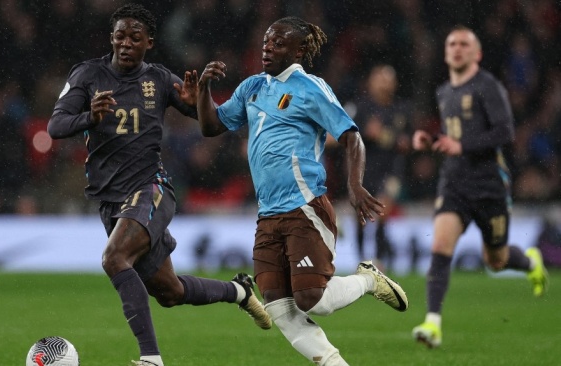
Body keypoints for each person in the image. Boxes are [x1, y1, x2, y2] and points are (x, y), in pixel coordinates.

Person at [47, 4, 271, 366]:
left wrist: (201, 95)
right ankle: (239, 291)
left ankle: (151, 358)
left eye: (135, 37)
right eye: (120, 35)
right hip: (111, 200)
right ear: (111, 38)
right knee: (170, 291)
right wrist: (91, 115)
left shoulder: (161, 80)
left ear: (149, 42)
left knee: (114, 258)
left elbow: (210, 122)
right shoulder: (88, 75)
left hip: (152, 188)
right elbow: (55, 127)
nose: (126, 43)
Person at [193, 16, 409, 366]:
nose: (268, 48)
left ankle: (368, 280)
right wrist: (203, 89)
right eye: (266, 41)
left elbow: (352, 136)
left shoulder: (311, 87)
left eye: (278, 43)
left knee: (312, 298)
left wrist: (354, 186)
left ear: (300, 50)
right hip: (268, 215)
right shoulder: (252, 87)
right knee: (278, 305)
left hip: (304, 207)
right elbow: (211, 126)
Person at [411, 26, 549, 349]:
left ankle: (531, 262)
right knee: (440, 246)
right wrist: (430, 141)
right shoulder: (444, 91)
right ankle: (433, 323)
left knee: (496, 260)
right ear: (446, 52)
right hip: (455, 182)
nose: (457, 49)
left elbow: (505, 133)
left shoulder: (488, 87)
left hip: (489, 186)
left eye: (464, 44)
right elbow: (453, 138)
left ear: (477, 54)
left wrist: (463, 146)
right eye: (452, 44)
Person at [348, 64, 414, 270]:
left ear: (395, 84)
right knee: (360, 216)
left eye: (387, 79)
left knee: (382, 212)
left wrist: (383, 135)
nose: (383, 84)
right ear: (370, 82)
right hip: (364, 170)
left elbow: (407, 143)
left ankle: (378, 261)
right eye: (379, 79)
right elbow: (345, 135)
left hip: (392, 171)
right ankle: (360, 260)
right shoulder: (360, 108)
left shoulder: (402, 110)